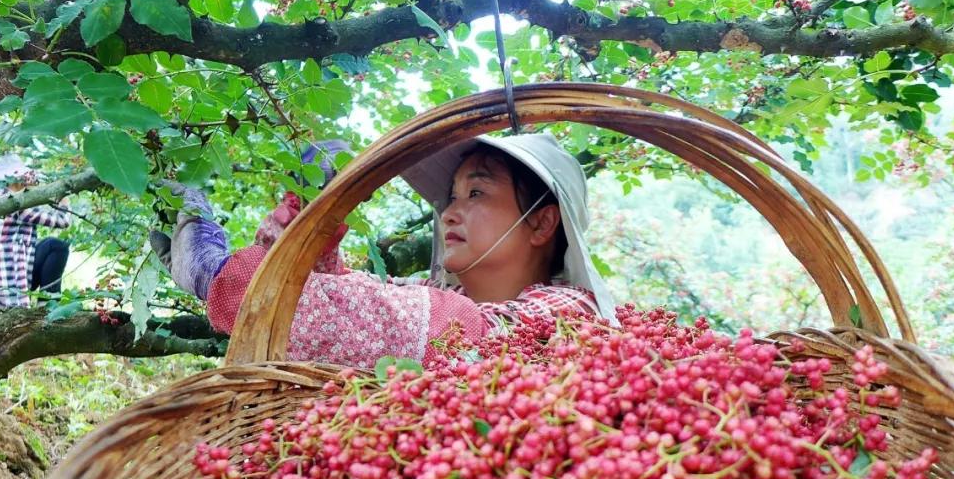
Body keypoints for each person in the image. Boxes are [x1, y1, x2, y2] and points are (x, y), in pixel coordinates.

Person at [153, 133, 616, 368]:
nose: (450, 214)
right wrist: (308, 235)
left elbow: (436, 329)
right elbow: (359, 298)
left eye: (476, 194)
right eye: (451, 197)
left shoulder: (571, 314)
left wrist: (215, 272)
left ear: (540, 222)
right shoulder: (427, 290)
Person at [0, 154, 71, 308]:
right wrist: (62, 192)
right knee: (58, 247)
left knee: (50, 245)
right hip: (5, 285)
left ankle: (46, 305)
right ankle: (48, 308)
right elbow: (63, 220)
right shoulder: (14, 204)